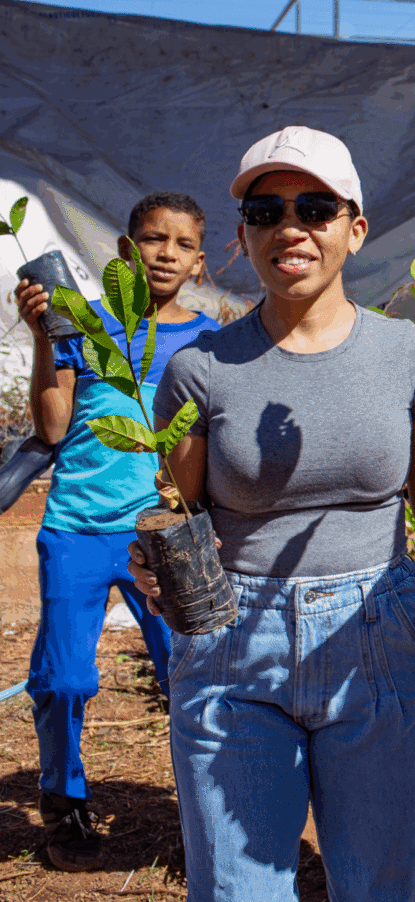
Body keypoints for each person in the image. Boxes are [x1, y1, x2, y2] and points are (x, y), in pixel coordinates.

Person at [128, 125, 415, 902]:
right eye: (265, 212)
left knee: (380, 886)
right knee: (239, 890)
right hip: (235, 641)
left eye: (314, 207)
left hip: (380, 633)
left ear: (355, 227)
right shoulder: (199, 370)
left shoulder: (405, 352)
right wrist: (157, 563)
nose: (290, 228)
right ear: (243, 238)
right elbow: (179, 513)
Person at [15, 192, 218, 873]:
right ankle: (64, 800)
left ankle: (200, 815)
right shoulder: (86, 326)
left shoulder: (208, 341)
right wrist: (46, 339)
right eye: (152, 239)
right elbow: (50, 427)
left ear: (198, 262)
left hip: (164, 538)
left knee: (183, 676)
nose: (165, 252)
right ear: (125, 253)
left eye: (181, 243)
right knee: (64, 677)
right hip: (75, 527)